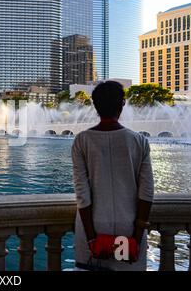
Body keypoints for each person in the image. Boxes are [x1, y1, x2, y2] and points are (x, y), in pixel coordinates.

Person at [72, 81, 154, 271]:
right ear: (123, 104)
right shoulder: (139, 141)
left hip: (92, 228)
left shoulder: (82, 141)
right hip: (130, 227)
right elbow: (147, 192)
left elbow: (82, 193)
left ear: (95, 106)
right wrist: (136, 236)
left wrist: (92, 237)